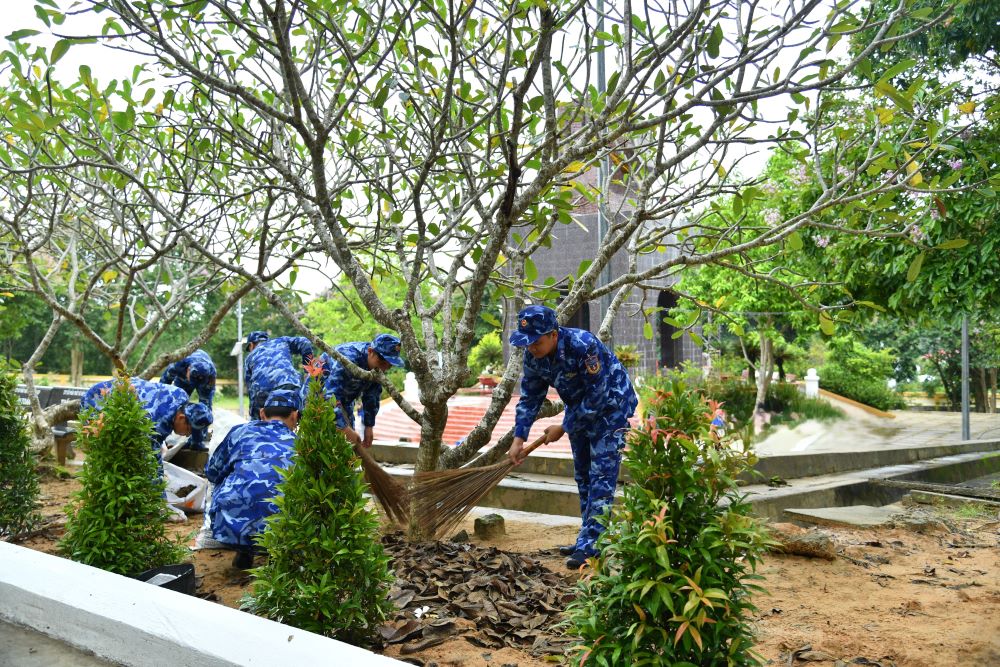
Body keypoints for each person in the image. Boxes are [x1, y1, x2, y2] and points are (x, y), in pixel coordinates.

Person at [507, 305, 637, 569]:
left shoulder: (583, 345)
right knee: (584, 476)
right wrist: (519, 437)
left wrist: (564, 427)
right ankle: (587, 539)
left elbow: (598, 395)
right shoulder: (533, 356)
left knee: (601, 479)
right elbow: (530, 397)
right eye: (527, 342)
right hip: (578, 410)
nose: (531, 347)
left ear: (553, 334)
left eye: (536, 341)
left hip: (611, 408)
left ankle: (591, 546)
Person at [204, 389, 299, 569]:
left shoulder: (240, 432)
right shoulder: (300, 443)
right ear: (295, 416)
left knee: (223, 479)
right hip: (283, 529)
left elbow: (212, 472)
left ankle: (244, 550)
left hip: (230, 527)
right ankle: (276, 554)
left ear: (262, 413)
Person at [81, 377, 214, 467]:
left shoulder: (182, 396)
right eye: (189, 431)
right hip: (98, 399)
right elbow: (151, 461)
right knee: (105, 450)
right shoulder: (159, 422)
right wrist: (160, 497)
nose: (187, 435)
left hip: (120, 397)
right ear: (181, 418)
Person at [318, 333, 404, 447]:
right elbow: (329, 395)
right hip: (317, 397)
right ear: (370, 351)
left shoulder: (376, 370)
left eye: (389, 366)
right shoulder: (349, 359)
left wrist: (369, 426)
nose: (383, 369)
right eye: (382, 363)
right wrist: (344, 428)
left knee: (348, 445)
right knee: (323, 442)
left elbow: (372, 395)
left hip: (345, 401)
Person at [243, 330, 313, 419]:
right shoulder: (280, 341)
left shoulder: (249, 357)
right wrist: (308, 371)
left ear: (251, 345)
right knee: (300, 417)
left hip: (264, 392)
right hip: (290, 384)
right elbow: (305, 342)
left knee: (262, 421)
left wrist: (254, 418)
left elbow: (251, 390)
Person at [159, 349, 217, 450]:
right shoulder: (179, 363)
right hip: (183, 381)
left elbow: (206, 403)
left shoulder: (210, 374)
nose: (195, 383)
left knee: (202, 412)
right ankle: (164, 433)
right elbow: (164, 383)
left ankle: (197, 442)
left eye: (198, 380)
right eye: (194, 379)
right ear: (189, 369)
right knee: (178, 406)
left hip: (205, 382)